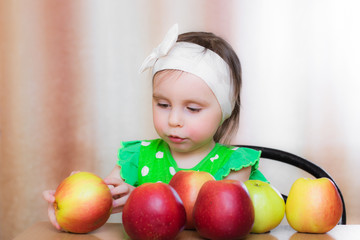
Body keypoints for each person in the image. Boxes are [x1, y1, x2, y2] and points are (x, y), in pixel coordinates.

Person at [43, 24, 267, 230]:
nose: (173, 120)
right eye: (163, 104)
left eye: (192, 109)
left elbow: (227, 220)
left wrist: (141, 198)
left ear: (224, 112)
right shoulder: (138, 156)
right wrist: (77, 199)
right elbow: (104, 200)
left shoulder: (235, 165)